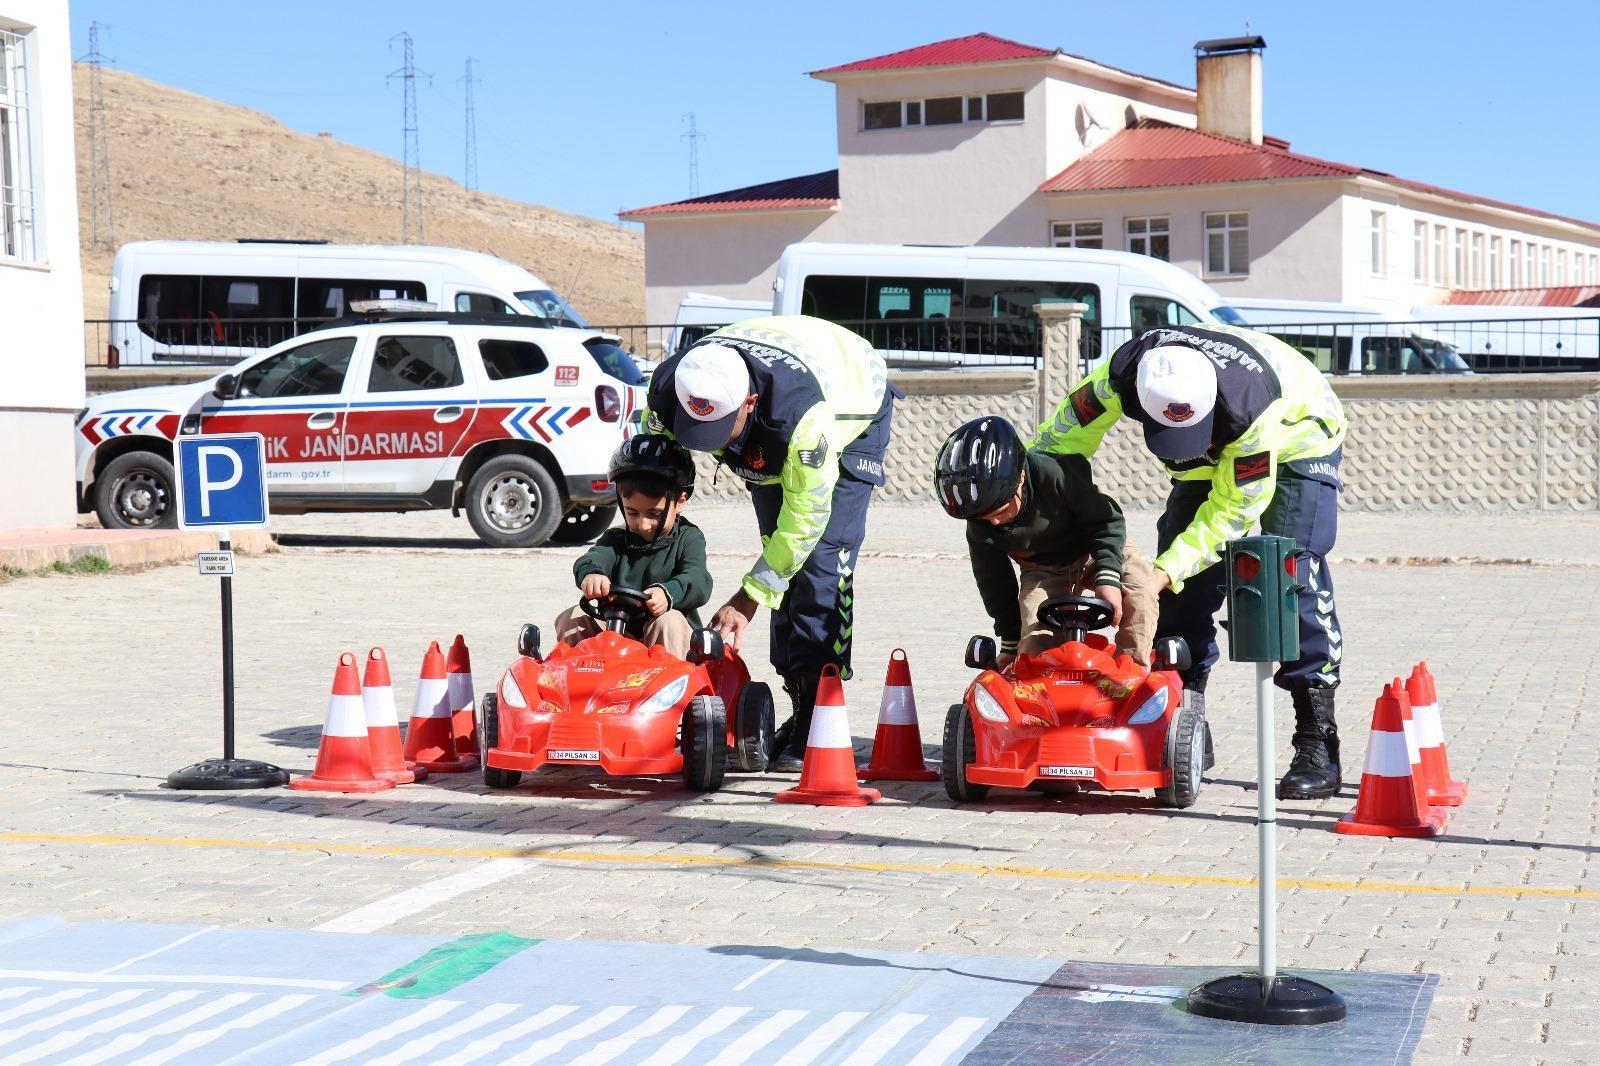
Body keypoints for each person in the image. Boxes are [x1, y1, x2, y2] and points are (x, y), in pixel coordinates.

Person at [1032, 323, 1348, 800]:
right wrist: (1050, 521)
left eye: (1196, 435)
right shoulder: (1120, 374)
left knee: (1289, 575)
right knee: (1179, 599)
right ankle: (1186, 725)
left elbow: (1234, 512)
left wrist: (1163, 571)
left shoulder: (1251, 411)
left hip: (1299, 436)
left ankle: (1317, 741)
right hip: (1224, 445)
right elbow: (1058, 443)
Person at [642, 315, 897, 772]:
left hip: (853, 396)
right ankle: (797, 697)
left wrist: (747, 599)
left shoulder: (801, 421)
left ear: (750, 403)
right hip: (771, 421)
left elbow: (804, 523)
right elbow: (652, 466)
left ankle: (819, 715)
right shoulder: (668, 387)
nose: (709, 447)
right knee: (773, 552)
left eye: (720, 431)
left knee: (817, 563)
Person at [935, 415, 1156, 667]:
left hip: (1097, 548)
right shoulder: (980, 520)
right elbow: (994, 582)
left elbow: (1106, 521)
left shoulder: (1056, 474)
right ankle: (1044, 691)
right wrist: (1011, 642)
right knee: (1033, 641)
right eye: (984, 518)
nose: (994, 523)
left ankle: (1132, 675)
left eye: (999, 513)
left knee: (1141, 593)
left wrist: (1108, 576)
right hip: (1043, 568)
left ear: (1019, 478)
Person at [553, 435, 709, 659]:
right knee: (572, 617)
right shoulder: (616, 538)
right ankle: (576, 685)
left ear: (680, 502)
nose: (643, 524)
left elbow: (698, 578)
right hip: (617, 636)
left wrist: (669, 592)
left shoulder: (688, 537)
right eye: (632, 512)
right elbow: (592, 559)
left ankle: (673, 691)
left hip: (669, 640)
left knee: (668, 621)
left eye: (654, 514)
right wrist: (592, 574)